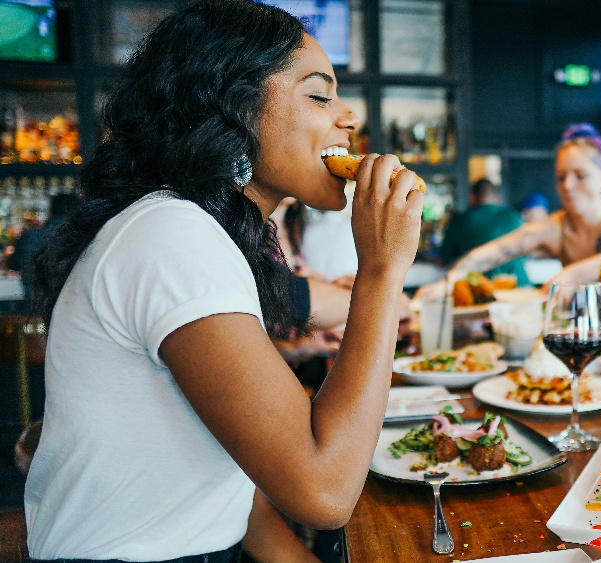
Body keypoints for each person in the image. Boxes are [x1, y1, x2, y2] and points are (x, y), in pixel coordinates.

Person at [23, 2, 422, 561]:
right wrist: (382, 272)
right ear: (233, 110)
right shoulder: (171, 234)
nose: (348, 115)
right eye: (318, 94)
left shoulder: (203, 232)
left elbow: (231, 491)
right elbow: (324, 491)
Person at [416, 123, 601, 297]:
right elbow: (494, 252)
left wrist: (571, 274)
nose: (567, 186)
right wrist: (447, 283)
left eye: (580, 176)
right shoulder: (556, 226)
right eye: (561, 177)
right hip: (581, 334)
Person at [438, 178, 529, 286]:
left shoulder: (460, 220)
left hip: (480, 290)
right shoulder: (515, 217)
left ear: (472, 197)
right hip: (521, 288)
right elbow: (527, 254)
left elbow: (442, 259)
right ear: (498, 198)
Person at [6, 193, 81, 300]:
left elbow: (12, 264)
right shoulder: (81, 239)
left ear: (50, 211)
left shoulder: (30, 237)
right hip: (71, 308)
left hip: (32, 308)